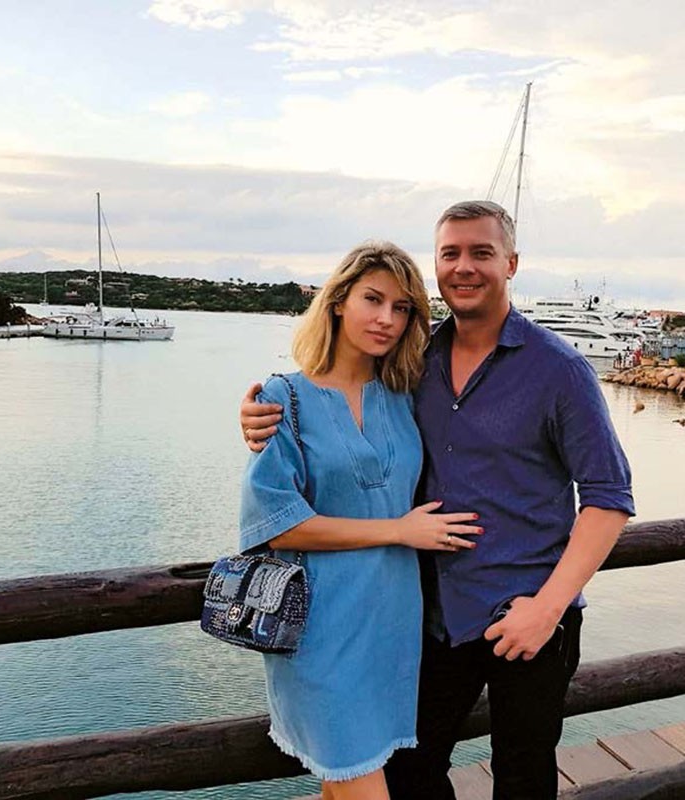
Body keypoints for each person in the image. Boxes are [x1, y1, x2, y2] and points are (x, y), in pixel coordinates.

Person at [241, 202, 634, 799]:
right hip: (430, 619)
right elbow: (326, 407)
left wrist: (548, 608)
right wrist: (258, 415)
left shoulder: (560, 369)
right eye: (451, 253)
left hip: (526, 613)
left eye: (482, 252)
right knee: (409, 773)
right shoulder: (412, 364)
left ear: (511, 263)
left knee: (524, 779)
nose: (464, 266)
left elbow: (609, 499)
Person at [238, 241, 482, 800]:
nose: (386, 319)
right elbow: (277, 525)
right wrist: (399, 530)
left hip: (393, 631)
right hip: (320, 633)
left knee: (343, 787)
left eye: (402, 308)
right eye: (373, 299)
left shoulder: (405, 394)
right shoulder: (285, 397)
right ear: (338, 301)